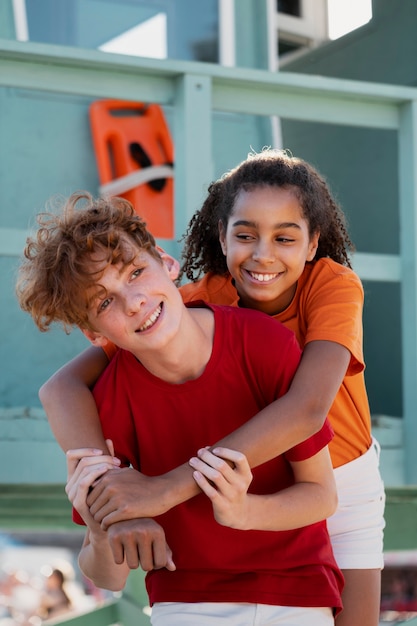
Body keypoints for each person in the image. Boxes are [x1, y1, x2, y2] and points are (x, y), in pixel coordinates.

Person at [37, 149, 385, 626]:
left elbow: (306, 410)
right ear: (221, 237)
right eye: (245, 235)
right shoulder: (182, 304)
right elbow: (61, 388)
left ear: (311, 243)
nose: (263, 253)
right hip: (255, 481)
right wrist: (111, 500)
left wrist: (163, 491)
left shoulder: (332, 285)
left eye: (285, 237)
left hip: (342, 475)